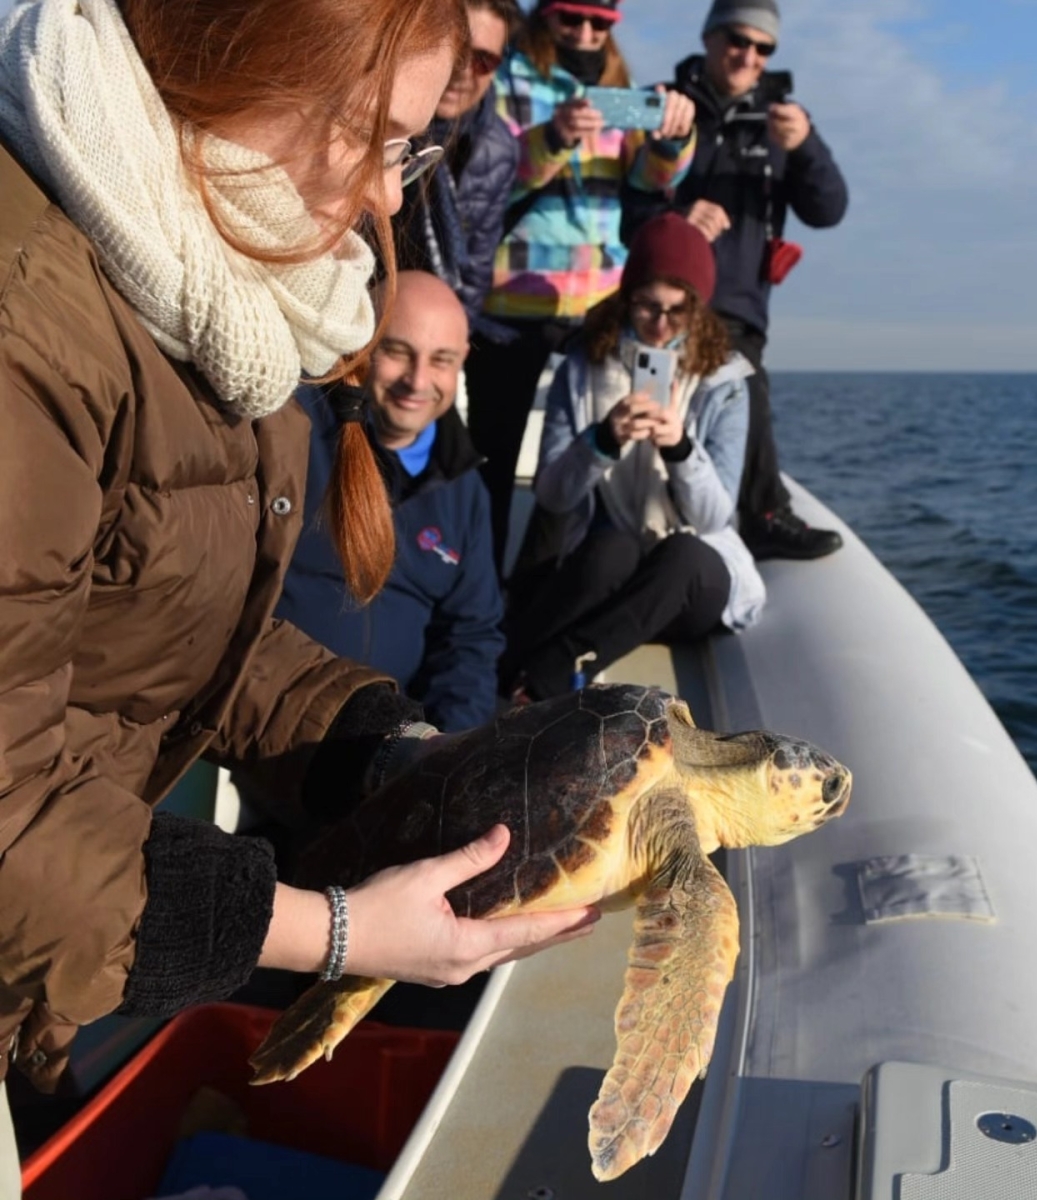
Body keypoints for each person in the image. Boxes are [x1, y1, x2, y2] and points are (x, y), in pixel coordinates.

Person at [0, 0, 596, 1188]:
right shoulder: (34, 314)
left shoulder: (230, 287)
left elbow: (202, 630)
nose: (385, 199)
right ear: (248, 70)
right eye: (376, 138)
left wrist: (403, 756)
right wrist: (335, 933)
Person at [464, 0, 698, 570]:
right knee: (492, 456)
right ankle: (481, 587)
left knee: (591, 450)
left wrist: (674, 140)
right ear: (544, 16)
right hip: (511, 299)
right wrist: (554, 136)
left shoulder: (624, 87)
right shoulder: (505, 75)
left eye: (600, 23)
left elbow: (647, 181)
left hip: (598, 300)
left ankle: (546, 585)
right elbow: (482, 175)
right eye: (572, 19)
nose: (586, 33)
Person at [501, 212, 765, 702]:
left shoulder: (726, 382)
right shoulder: (583, 367)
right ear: (627, 297)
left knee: (683, 556)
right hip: (621, 566)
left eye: (676, 311)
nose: (660, 325)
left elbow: (714, 517)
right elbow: (553, 495)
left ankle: (557, 666)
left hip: (689, 578)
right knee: (610, 549)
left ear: (698, 308)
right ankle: (499, 666)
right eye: (646, 306)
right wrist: (601, 441)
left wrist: (681, 449)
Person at [623, 0, 850, 562]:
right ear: (709, 37)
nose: (748, 55)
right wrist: (675, 220)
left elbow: (829, 210)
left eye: (763, 46)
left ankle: (759, 516)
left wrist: (807, 147)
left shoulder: (785, 122)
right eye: (736, 39)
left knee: (741, 387)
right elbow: (621, 206)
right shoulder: (655, 103)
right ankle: (630, 529)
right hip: (657, 296)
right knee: (647, 408)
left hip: (738, 305)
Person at [278, 272, 504, 733]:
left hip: (394, 747)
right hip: (272, 719)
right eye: (398, 351)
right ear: (361, 348)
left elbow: (470, 637)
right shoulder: (294, 434)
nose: (417, 380)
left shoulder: (463, 487)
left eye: (441, 360)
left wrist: (444, 753)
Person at [392, 0, 521, 332]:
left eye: (483, 60)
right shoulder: (375, 117)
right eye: (455, 49)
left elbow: (475, 270)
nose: (463, 71)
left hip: (428, 331)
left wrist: (447, 348)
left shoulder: (499, 147)